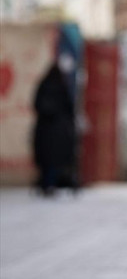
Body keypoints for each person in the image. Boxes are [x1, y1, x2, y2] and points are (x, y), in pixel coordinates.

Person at [32, 54, 78, 196]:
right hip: (59, 132)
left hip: (46, 132)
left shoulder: (45, 85)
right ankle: (53, 183)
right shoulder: (62, 86)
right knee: (56, 160)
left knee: (48, 161)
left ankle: (48, 184)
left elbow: (37, 105)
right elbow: (70, 108)